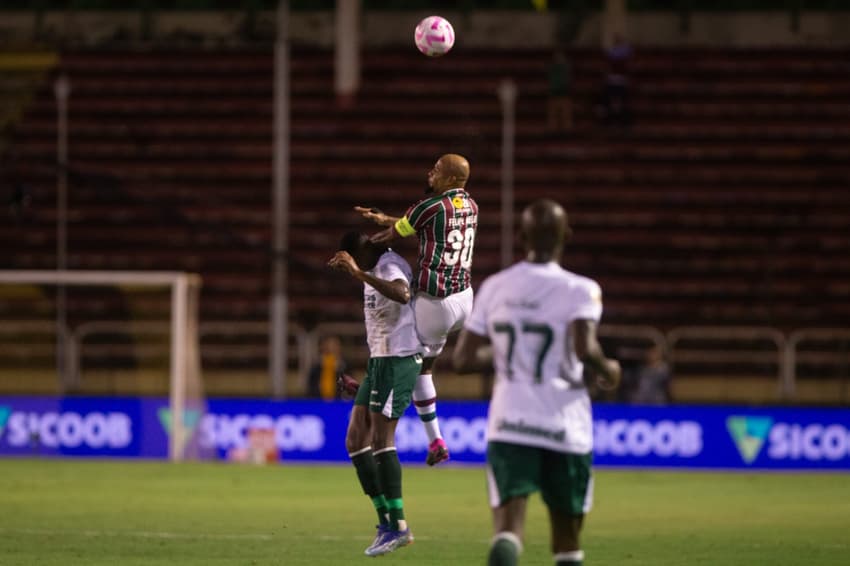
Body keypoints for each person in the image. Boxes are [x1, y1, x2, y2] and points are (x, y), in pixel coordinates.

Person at [453, 199, 621, 566]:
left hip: (510, 422)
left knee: (509, 529)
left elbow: (463, 359)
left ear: (521, 236)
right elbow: (583, 347)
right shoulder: (581, 289)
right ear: (567, 235)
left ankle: (508, 544)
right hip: (565, 424)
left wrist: (501, 350)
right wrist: (609, 369)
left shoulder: (495, 287)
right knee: (567, 539)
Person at [354, 153, 479, 466]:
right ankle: (435, 439)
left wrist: (360, 254)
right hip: (464, 300)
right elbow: (418, 224)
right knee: (425, 365)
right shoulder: (471, 205)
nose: (430, 173)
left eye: (437, 170)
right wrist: (385, 218)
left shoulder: (429, 206)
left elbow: (389, 237)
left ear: (451, 178)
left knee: (401, 347)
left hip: (435, 303)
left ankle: (376, 386)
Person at [328, 231, 420, 557]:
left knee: (382, 440)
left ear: (362, 253)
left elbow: (403, 293)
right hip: (380, 362)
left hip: (398, 359)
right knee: (355, 440)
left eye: (353, 260)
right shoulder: (372, 268)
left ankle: (399, 526)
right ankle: (385, 521)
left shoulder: (389, 266)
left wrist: (357, 272)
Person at [307, 335, 347, 400]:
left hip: (339, 403)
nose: (331, 349)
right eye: (328, 346)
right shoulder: (316, 368)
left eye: (334, 346)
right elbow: (310, 389)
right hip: (318, 402)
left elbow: (350, 389)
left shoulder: (345, 367)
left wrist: (339, 369)